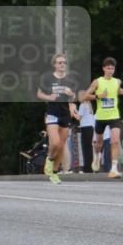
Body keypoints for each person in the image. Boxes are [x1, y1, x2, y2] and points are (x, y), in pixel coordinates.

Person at [36, 53, 80, 184]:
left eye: (64, 62)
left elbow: (73, 98)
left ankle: (54, 173)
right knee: (54, 143)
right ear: (54, 64)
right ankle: (49, 159)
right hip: (52, 113)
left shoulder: (70, 80)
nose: (62, 64)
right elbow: (39, 94)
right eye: (60, 62)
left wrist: (70, 94)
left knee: (61, 146)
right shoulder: (47, 78)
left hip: (65, 114)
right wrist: (50, 97)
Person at [86, 57, 123, 178]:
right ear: (103, 68)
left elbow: (118, 90)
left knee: (115, 141)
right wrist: (99, 96)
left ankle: (114, 168)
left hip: (114, 116)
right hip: (101, 117)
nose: (110, 70)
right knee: (99, 143)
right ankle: (97, 156)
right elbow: (86, 96)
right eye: (108, 68)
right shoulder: (97, 82)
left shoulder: (117, 81)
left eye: (112, 68)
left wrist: (120, 91)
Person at [77, 92, 96, 173]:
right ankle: (91, 167)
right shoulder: (89, 105)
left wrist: (73, 111)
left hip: (85, 128)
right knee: (90, 149)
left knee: (85, 149)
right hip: (91, 128)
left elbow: (78, 117)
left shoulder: (82, 105)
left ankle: (87, 168)